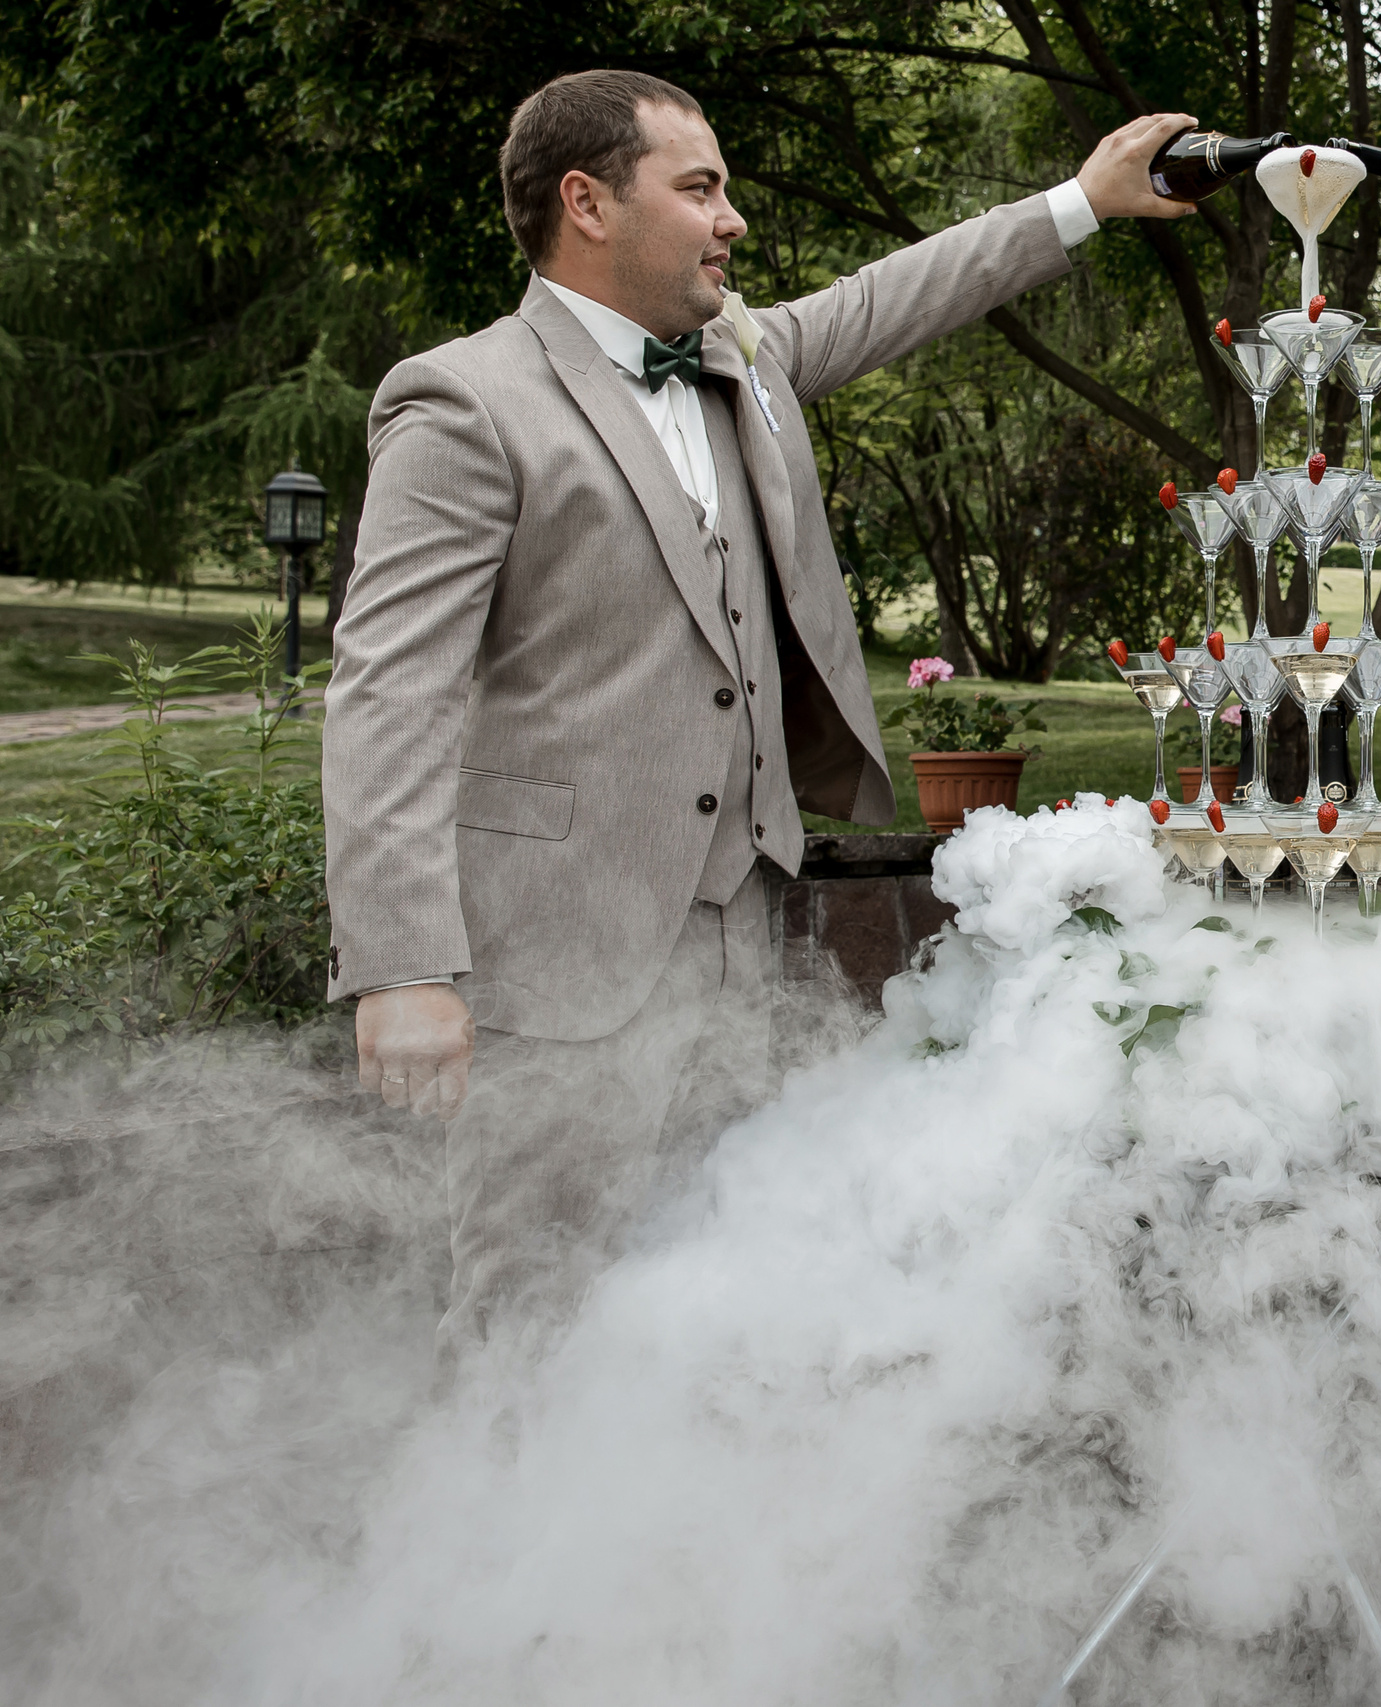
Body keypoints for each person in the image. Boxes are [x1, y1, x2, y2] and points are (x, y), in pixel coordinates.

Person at [322, 68, 1196, 1350]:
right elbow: (387, 694)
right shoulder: (463, 403)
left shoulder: (746, 355)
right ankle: (506, 1547)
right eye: (700, 188)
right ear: (588, 202)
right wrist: (401, 967)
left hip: (745, 926)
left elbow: (894, 296)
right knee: (533, 1308)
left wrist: (1082, 202)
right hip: (559, 960)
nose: (732, 219)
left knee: (718, 1282)